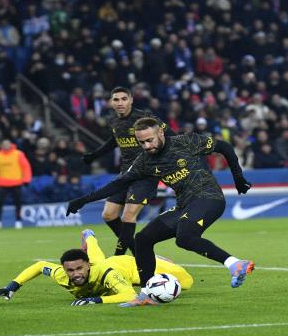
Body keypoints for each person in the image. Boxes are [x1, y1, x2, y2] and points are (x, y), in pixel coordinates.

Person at [66, 117, 254, 307]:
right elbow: (118, 184)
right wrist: (84, 200)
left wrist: (238, 178)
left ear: (161, 133)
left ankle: (235, 264)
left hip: (208, 197)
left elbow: (224, 147)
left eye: (150, 140)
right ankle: (146, 294)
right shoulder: (144, 161)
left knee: (185, 237)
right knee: (143, 239)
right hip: (183, 205)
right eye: (142, 142)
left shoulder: (185, 141)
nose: (147, 146)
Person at [81, 87, 176, 256]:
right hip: (125, 174)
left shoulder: (144, 118)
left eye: (124, 99)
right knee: (109, 215)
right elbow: (114, 140)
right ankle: (138, 252)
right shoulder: (113, 120)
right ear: (111, 102)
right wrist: (95, 155)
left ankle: (118, 257)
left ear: (131, 100)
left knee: (127, 216)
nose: (120, 103)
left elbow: (171, 135)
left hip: (145, 174)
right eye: (116, 99)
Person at [0, 229, 194, 305]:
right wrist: (12, 286)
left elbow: (129, 294)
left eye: (78, 269)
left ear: (87, 267)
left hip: (129, 267)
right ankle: (89, 236)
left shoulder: (105, 274)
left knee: (186, 283)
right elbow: (40, 266)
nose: (75, 274)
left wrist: (96, 300)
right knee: (96, 254)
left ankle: (157, 259)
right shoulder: (62, 274)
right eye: (70, 270)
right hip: (100, 263)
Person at [0, 139, 32, 229]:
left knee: (18, 203)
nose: (6, 146)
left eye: (7, 144)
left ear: (11, 144)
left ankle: (18, 222)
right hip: (2, 183)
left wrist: (26, 179)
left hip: (16, 182)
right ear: (1, 145)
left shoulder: (18, 154)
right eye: (4, 144)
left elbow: (26, 167)